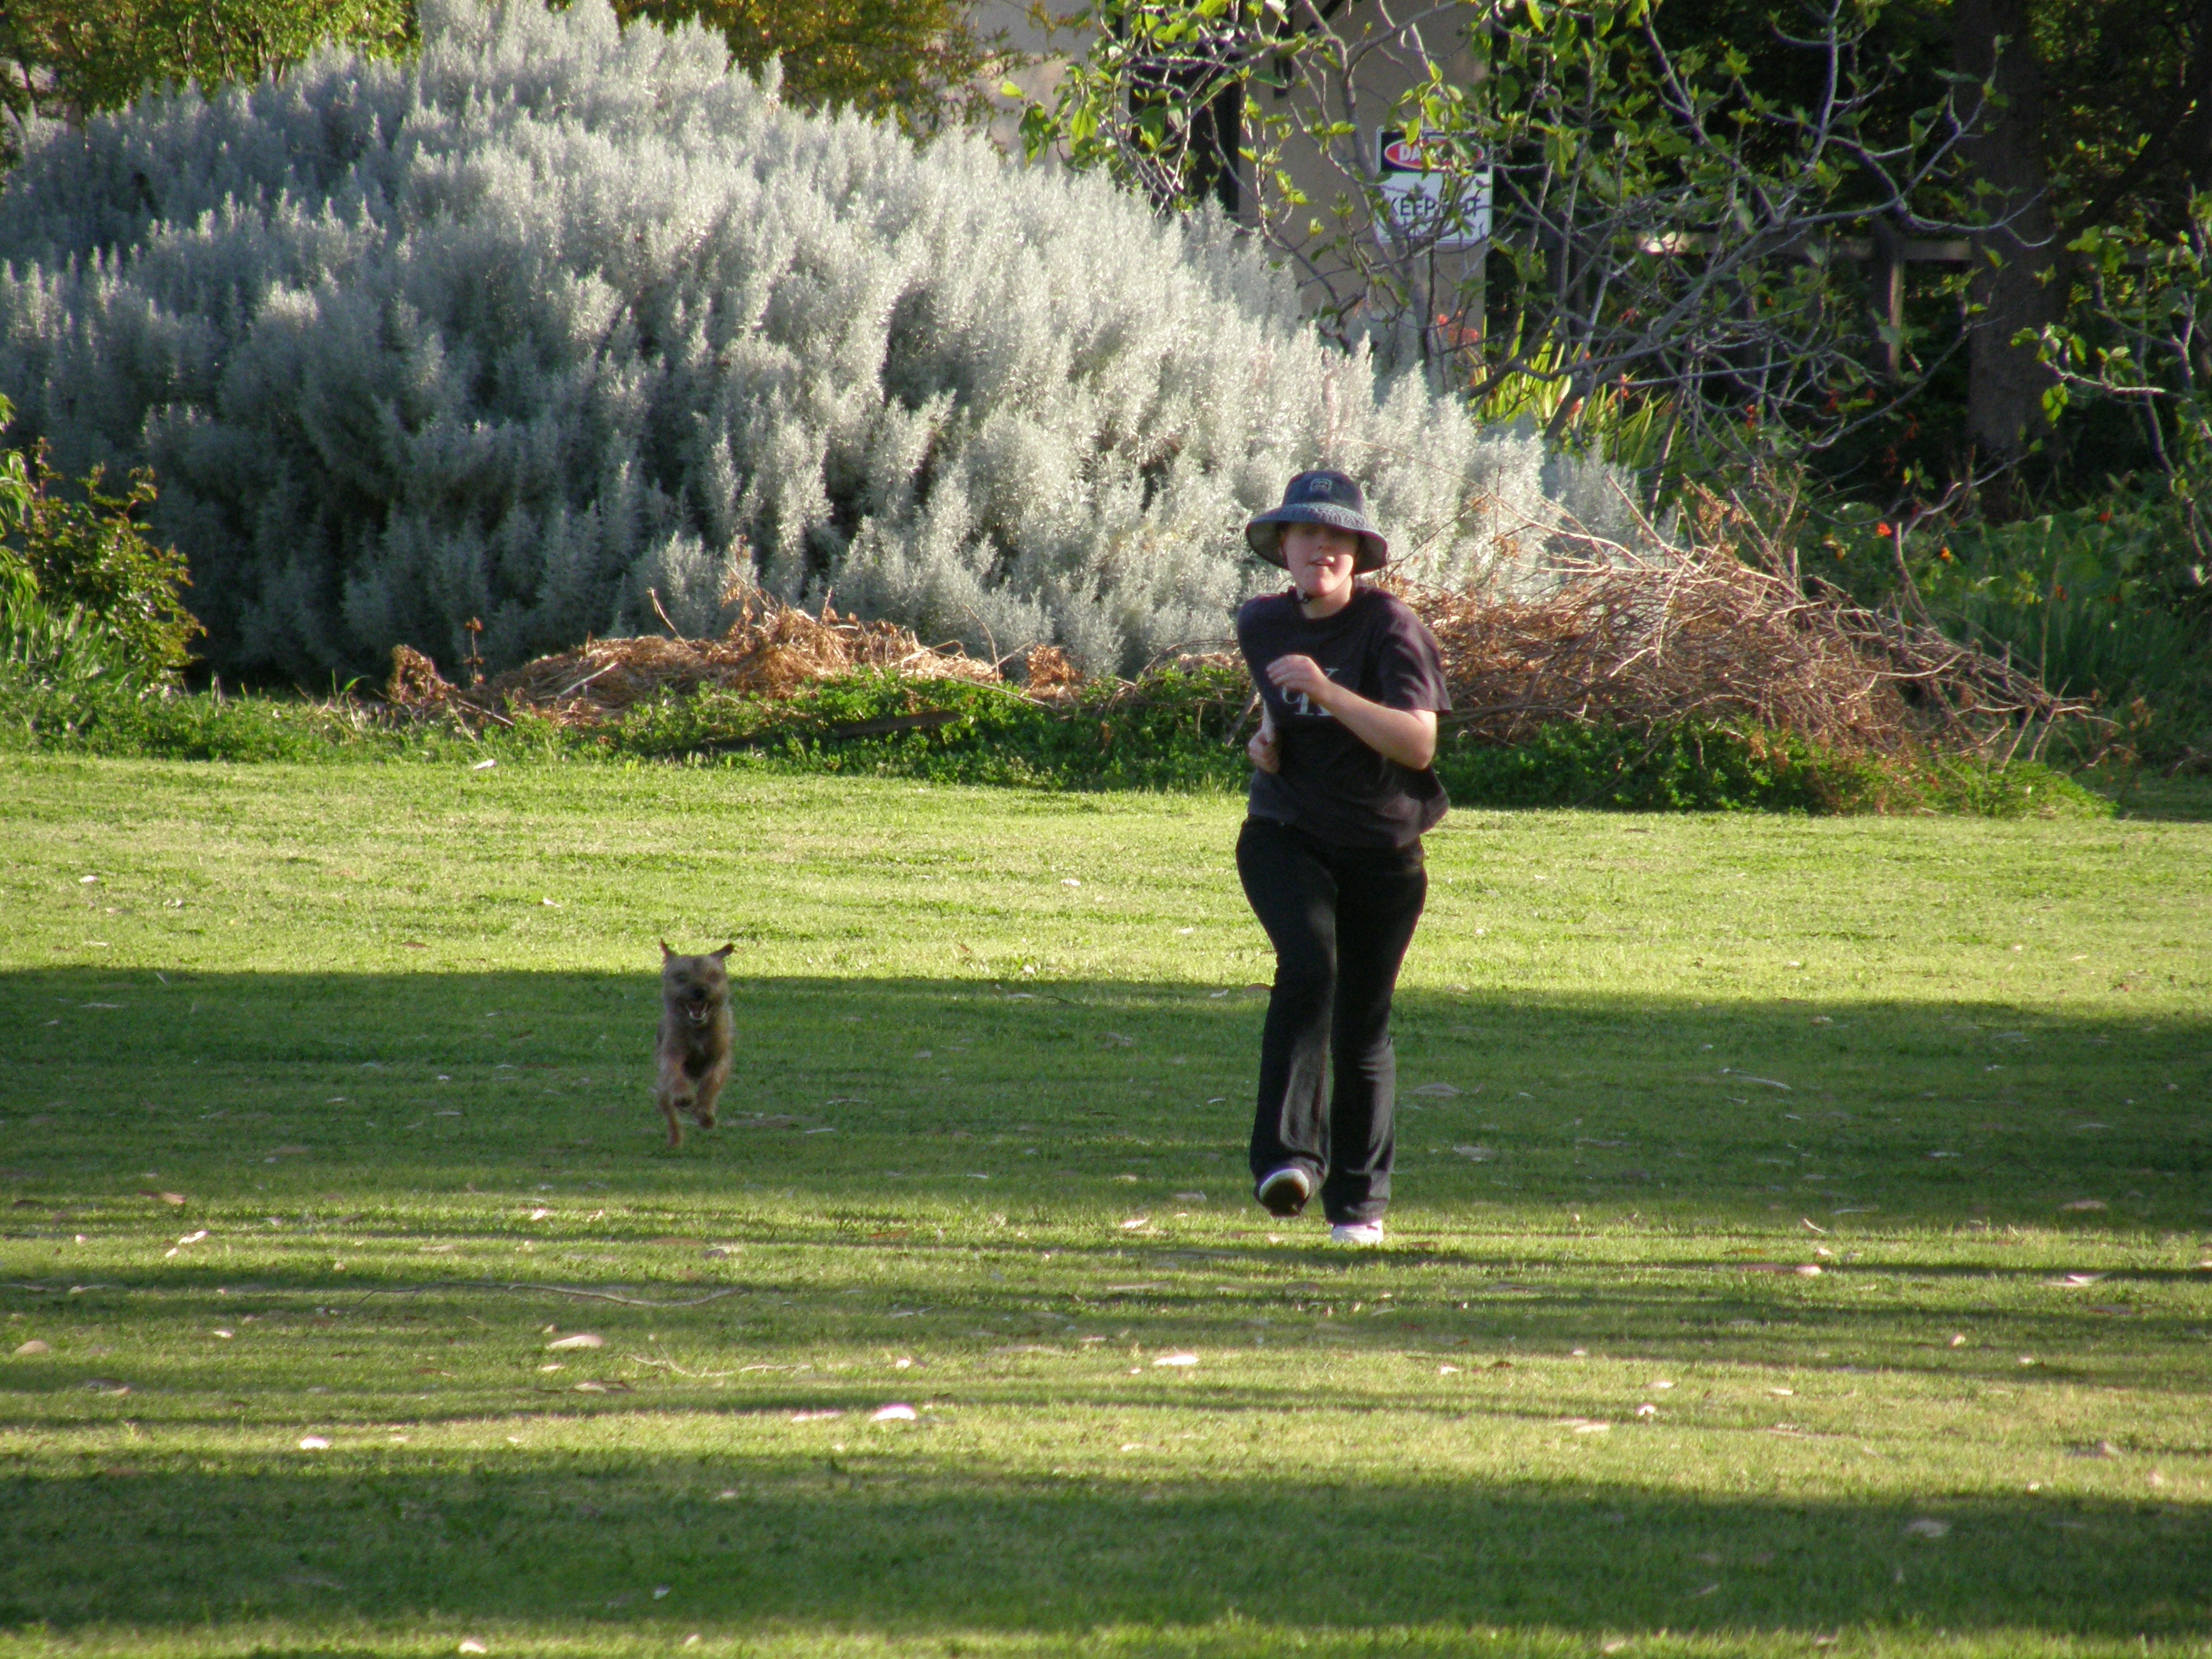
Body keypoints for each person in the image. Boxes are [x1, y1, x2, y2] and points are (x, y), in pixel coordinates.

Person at [1233, 469, 1451, 1246]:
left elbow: (1419, 743)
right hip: (1285, 832)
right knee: (1309, 969)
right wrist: (1269, 738)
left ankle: (1358, 1210)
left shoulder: (1391, 627)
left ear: (1358, 552)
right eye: (1306, 532)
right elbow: (1275, 699)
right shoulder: (1260, 622)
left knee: (1360, 1026)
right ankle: (1286, 1161)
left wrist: (1328, 694)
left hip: (1385, 850)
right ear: (1283, 547)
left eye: (1337, 535)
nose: (1321, 545)